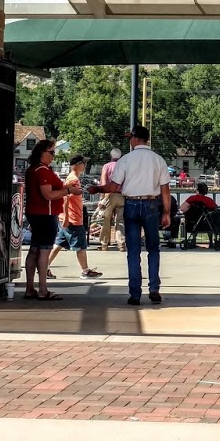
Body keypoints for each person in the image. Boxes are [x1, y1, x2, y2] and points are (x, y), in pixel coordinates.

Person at [90, 126, 171, 306]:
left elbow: (113, 187)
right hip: (151, 204)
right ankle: (154, 289)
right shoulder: (158, 160)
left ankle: (135, 293)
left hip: (132, 204)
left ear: (134, 139)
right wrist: (166, 212)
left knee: (133, 251)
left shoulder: (126, 160)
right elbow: (165, 189)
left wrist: (97, 189)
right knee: (153, 248)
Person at [24, 138, 76, 301]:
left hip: (34, 213)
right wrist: (68, 190)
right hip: (45, 214)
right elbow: (48, 194)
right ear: (42, 153)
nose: (53, 156)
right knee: (44, 250)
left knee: (34, 250)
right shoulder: (43, 171)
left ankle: (30, 287)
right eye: (51, 152)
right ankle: (43, 289)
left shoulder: (33, 169)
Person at [47, 155, 102, 280]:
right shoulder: (73, 180)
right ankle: (85, 271)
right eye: (83, 163)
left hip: (69, 218)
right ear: (76, 165)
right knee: (81, 246)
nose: (85, 166)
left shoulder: (73, 178)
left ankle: (45, 267)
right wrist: (67, 217)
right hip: (73, 219)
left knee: (59, 244)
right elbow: (66, 198)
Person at [97, 148, 124, 251]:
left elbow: (103, 182)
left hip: (109, 195)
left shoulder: (107, 166)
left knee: (106, 220)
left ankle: (104, 244)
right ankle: (121, 244)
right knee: (120, 221)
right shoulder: (124, 166)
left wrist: (102, 198)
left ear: (111, 156)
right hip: (121, 195)